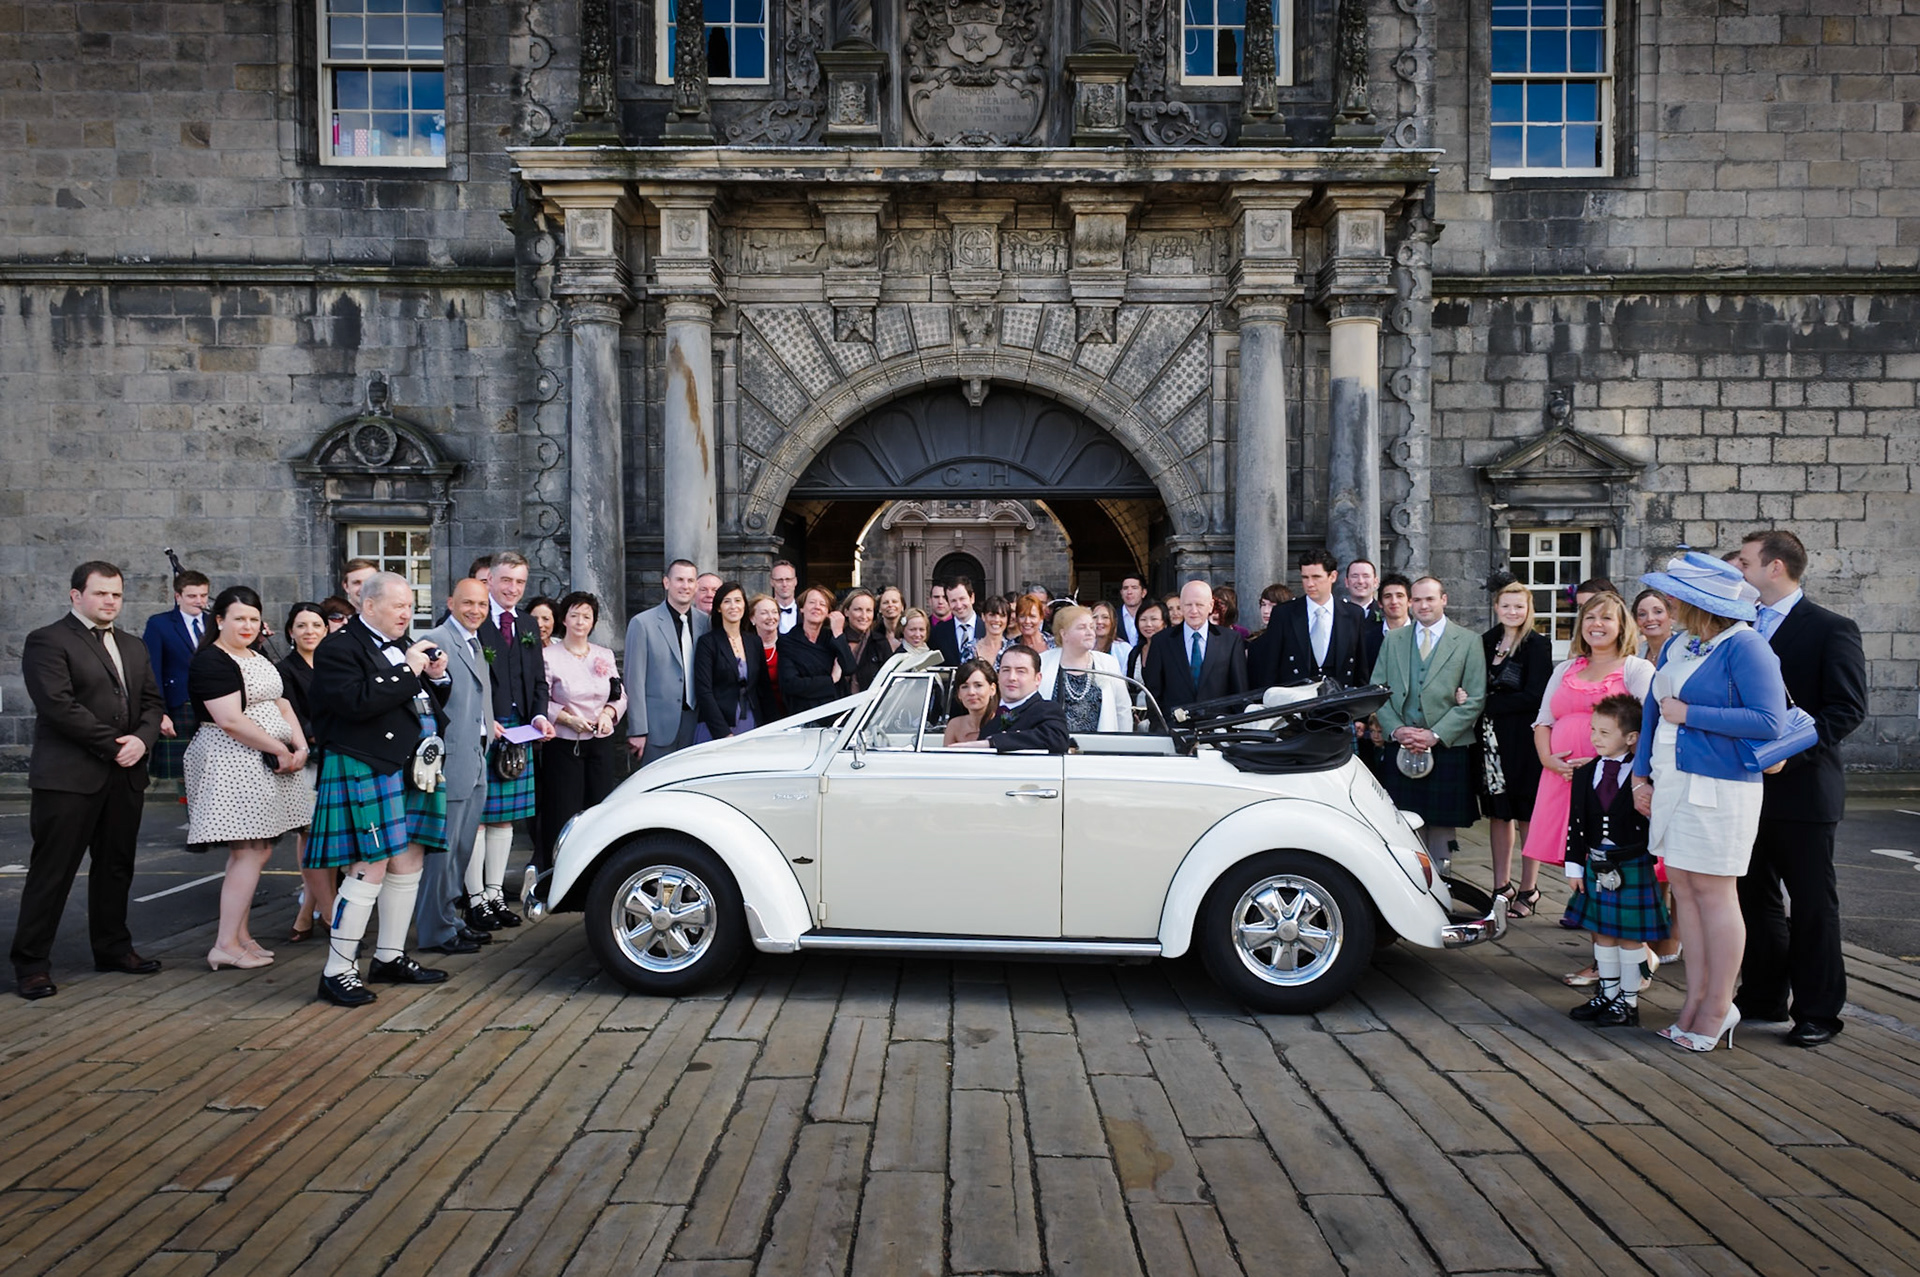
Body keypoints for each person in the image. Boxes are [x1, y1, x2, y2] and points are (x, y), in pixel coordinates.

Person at [1630, 552, 1789, 1052]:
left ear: (1703, 603)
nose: (1669, 604)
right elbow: (1653, 713)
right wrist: (1639, 777)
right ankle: (1694, 1002)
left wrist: (1691, 714)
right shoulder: (1680, 643)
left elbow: (1770, 722)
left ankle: (1719, 1006)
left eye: (1677, 598)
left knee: (1716, 893)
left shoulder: (1747, 646)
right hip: (1672, 781)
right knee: (1683, 888)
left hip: (1722, 788)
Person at [1733, 529, 1868, 1047]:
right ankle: (1763, 995)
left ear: (1775, 567)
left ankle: (1817, 1012)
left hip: (1805, 790)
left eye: (1745, 562)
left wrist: (1787, 753)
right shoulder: (1741, 625)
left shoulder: (1832, 628)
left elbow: (1846, 709)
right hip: (1745, 787)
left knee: (1812, 905)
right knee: (1754, 898)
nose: (1738, 570)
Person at [11, 562, 167, 1000]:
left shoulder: (133, 645)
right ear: (76, 595)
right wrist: (116, 745)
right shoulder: (47, 640)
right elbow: (58, 706)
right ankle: (31, 964)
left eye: (116, 594)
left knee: (116, 867)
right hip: (69, 778)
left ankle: (113, 948)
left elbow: (152, 702)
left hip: (125, 775)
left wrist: (142, 739)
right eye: (101, 593)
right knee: (52, 872)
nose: (110, 601)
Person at [305, 572, 454, 1006]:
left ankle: (389, 956)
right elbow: (357, 702)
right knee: (369, 864)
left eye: (410, 605)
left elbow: (415, 703)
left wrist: (436, 679)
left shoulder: (402, 647)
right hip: (365, 764)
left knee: (409, 859)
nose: (407, 613)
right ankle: (337, 971)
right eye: (398, 605)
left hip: (412, 765)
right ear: (368, 606)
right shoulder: (338, 648)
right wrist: (409, 669)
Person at [181, 586, 313, 970]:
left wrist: (300, 745)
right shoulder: (211, 660)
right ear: (219, 620)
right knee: (249, 851)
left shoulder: (256, 655)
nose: (248, 625)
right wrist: (280, 750)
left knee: (259, 850)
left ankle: (240, 936)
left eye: (254, 619)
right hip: (232, 761)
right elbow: (230, 720)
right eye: (239, 618)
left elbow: (282, 704)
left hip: (267, 759)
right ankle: (225, 944)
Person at [1520, 593, 1653, 926]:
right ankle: (1590, 922)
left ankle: (1616, 932)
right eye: (1590, 617)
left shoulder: (1636, 669)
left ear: (1622, 626)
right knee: (1576, 853)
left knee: (1608, 850)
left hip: (1610, 781)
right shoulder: (1566, 668)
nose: (1597, 624)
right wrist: (1548, 759)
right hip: (1562, 777)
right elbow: (1543, 721)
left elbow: (1648, 727)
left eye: (1606, 618)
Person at [1563, 694, 1667, 1028]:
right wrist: (1574, 866)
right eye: (1593, 730)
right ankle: (1607, 995)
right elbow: (1576, 823)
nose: (1595, 738)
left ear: (1632, 737)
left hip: (1632, 863)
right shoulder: (1585, 773)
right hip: (1596, 864)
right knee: (1602, 934)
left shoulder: (1645, 776)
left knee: (1629, 938)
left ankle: (1628, 1002)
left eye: (1604, 732)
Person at [1371, 577, 1487, 872]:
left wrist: (1436, 734)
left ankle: (1442, 881)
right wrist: (1397, 730)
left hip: (1447, 746)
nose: (1423, 605)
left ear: (1443, 600)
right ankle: (1410, 881)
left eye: (1430, 599)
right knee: (1403, 821)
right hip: (1401, 743)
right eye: (1417, 600)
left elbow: (1475, 699)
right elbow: (1377, 691)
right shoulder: (1394, 639)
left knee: (1442, 824)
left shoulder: (1468, 641)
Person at [414, 578, 499, 956]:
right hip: (449, 759)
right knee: (443, 853)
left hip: (477, 756)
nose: (475, 611)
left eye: (482, 605)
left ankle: (450, 920)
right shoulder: (435, 640)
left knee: (462, 849)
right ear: (450, 602)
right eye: (468, 603)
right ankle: (435, 930)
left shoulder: (475, 641)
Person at [473, 551, 554, 932]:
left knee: (504, 818)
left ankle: (494, 895)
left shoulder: (526, 622)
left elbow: (538, 680)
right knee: (478, 818)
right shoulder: (472, 618)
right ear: (490, 580)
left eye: (519, 582)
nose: (512, 589)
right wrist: (483, 719)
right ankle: (474, 899)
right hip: (483, 730)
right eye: (506, 580)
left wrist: (539, 715)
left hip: (519, 730)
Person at [539, 591, 630, 871]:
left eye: (587, 616)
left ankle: (596, 869)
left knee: (599, 808)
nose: (580, 622)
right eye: (575, 615)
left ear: (593, 622)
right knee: (562, 810)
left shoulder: (604, 654)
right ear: (564, 619)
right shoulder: (548, 656)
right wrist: (566, 719)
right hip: (564, 744)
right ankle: (559, 869)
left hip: (599, 741)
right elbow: (540, 699)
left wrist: (608, 713)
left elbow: (619, 694)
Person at [1479, 581, 1553, 910]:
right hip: (1490, 740)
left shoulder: (1537, 645)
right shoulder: (1485, 641)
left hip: (1524, 739)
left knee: (1526, 813)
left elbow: (1535, 696)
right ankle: (1501, 887)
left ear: (1528, 609)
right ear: (1496, 607)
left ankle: (1529, 889)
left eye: (1519, 606)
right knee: (1498, 812)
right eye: (1506, 605)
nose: (1512, 612)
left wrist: (1487, 703)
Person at [279, 603, 333, 942]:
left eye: (316, 625)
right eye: (302, 625)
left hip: (336, 756)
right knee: (310, 836)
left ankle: (305, 914)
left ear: (326, 630)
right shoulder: (284, 669)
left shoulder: (334, 663)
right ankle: (328, 914)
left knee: (330, 837)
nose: (309, 631)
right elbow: (290, 718)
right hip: (308, 759)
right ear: (291, 632)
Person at [626, 559, 710, 765]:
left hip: (696, 722)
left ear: (696, 585)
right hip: (657, 728)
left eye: (690, 580)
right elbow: (634, 680)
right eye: (679, 579)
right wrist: (637, 729)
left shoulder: (705, 622)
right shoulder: (642, 623)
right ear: (666, 582)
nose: (685, 586)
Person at [1249, 549, 1369, 689]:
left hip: (1340, 697)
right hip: (1294, 698)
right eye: (1305, 577)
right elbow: (1270, 667)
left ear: (1333, 576)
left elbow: (1360, 668)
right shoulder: (1284, 613)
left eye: (1316, 577)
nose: (1310, 583)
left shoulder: (1353, 614)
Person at [1143, 579, 1249, 715]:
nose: (1193, 611)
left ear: (1210, 606)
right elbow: (1153, 692)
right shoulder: (1161, 641)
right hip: (1175, 724)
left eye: (1199, 605)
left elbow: (1239, 691)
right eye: (1188, 605)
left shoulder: (1231, 640)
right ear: (1181, 606)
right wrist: (1160, 725)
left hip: (1218, 724)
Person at [142, 568, 211, 776]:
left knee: (213, 770)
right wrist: (160, 713)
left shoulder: (216, 623)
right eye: (192, 596)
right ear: (178, 596)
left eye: (203, 595)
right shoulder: (159, 624)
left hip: (215, 707)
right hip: (179, 706)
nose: (199, 601)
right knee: (183, 773)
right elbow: (152, 671)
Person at [954, 645, 1070, 754]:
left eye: (1021, 671)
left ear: (1037, 679)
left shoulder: (1047, 710)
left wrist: (993, 743)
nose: (1011, 677)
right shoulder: (991, 721)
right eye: (1006, 670)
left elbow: (1057, 740)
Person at [693, 582, 769, 743]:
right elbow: (704, 691)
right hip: (717, 727)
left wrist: (772, 726)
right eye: (727, 601)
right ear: (719, 608)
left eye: (738, 600)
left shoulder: (754, 642)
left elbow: (764, 689)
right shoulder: (707, 642)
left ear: (744, 605)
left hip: (751, 723)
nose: (733, 606)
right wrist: (723, 733)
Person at [1039, 605, 1129, 734]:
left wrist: (1124, 742)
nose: (1090, 632)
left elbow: (1122, 710)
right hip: (1052, 742)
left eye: (1091, 627)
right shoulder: (1042, 662)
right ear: (1064, 634)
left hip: (1100, 744)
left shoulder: (1109, 663)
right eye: (1082, 627)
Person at [779, 584, 844, 716]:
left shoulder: (832, 638)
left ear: (828, 612)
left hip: (833, 712)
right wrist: (831, 680)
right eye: (812, 602)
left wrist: (838, 632)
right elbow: (791, 684)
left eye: (822, 604)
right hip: (803, 714)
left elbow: (849, 667)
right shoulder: (788, 641)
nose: (817, 607)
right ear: (802, 608)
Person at [836, 588, 891, 695]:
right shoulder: (835, 639)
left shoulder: (880, 642)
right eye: (858, 610)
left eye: (869, 610)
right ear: (846, 612)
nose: (864, 616)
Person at [942, 659, 1001, 745]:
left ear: (992, 689)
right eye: (965, 687)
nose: (971, 692)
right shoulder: (954, 725)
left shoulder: (1003, 724)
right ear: (959, 694)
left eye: (978, 685)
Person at [932, 576, 986, 666]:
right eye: (953, 601)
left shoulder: (988, 629)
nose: (959, 605)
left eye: (962, 599)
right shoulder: (938, 633)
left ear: (972, 598)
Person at [749, 593, 785, 718]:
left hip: (788, 713)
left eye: (774, 612)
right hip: (757, 715)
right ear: (752, 619)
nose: (770, 617)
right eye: (764, 613)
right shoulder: (745, 647)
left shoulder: (789, 645)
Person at [1126, 599, 1168, 683]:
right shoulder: (1135, 652)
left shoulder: (1173, 651)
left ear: (1165, 623)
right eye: (1143, 619)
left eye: (1154, 619)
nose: (1148, 624)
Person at [1632, 589, 1674, 663]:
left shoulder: (1685, 648)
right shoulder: (1634, 654)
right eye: (1642, 614)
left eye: (1658, 612)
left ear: (1671, 615)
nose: (1650, 618)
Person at [1090, 600, 1132, 672]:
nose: (1099, 621)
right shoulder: (1083, 648)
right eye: (1094, 617)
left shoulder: (1124, 649)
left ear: (1113, 621)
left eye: (1105, 617)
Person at [976, 596, 1011, 668]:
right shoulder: (970, 648)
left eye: (1002, 616)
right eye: (992, 615)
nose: (997, 620)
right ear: (983, 616)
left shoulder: (1014, 649)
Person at [1115, 573, 1148, 647]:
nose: (1129, 592)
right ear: (1121, 593)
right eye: (1125, 588)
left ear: (1143, 593)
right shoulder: (1113, 616)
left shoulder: (1150, 616)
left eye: (1134, 588)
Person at [770, 560, 801, 634]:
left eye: (788, 579)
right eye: (779, 580)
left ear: (795, 581)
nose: (784, 584)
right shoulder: (763, 612)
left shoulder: (805, 612)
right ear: (772, 582)